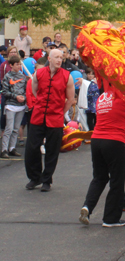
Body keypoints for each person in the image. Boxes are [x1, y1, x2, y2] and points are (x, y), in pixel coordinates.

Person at [25, 49, 75, 192]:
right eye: (57, 57)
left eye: (61, 57)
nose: (60, 60)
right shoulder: (39, 74)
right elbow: (35, 91)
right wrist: (40, 106)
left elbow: (70, 99)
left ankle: (47, 180)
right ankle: (35, 178)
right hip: (38, 115)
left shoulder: (67, 76)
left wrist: (60, 112)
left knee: (52, 151)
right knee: (32, 148)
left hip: (56, 118)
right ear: (50, 59)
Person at [79, 88, 125, 227]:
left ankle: (87, 207)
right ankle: (110, 218)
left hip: (97, 139)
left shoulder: (102, 97)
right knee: (117, 180)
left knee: (99, 177)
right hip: (114, 140)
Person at [1, 55, 27, 158]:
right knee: (9, 128)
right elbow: (4, 91)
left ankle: (12, 148)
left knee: (16, 128)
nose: (19, 66)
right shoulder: (7, 77)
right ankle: (4, 149)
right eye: (17, 64)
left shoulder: (23, 77)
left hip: (20, 106)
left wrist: (24, 97)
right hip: (11, 105)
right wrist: (16, 97)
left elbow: (26, 90)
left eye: (20, 64)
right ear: (11, 65)